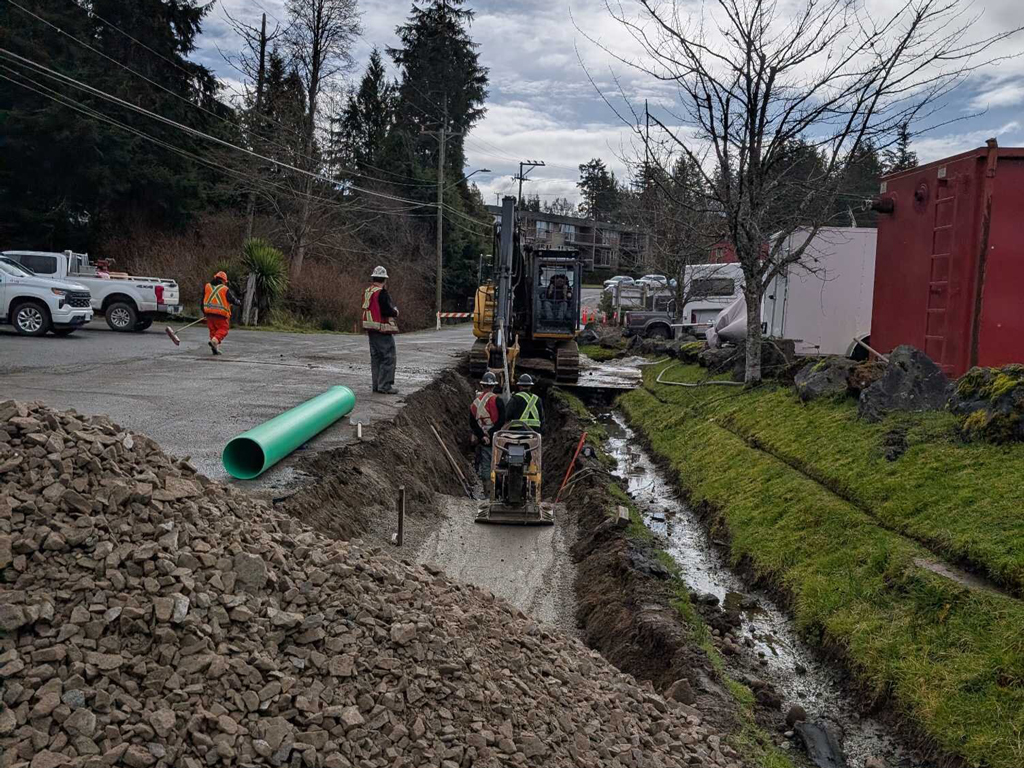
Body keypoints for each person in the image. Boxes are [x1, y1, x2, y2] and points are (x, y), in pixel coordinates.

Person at [361, 265, 400, 394]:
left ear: (373, 278)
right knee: (388, 357)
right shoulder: (381, 293)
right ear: (384, 279)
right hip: (381, 330)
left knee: (376, 358)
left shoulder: (368, 291)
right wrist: (395, 312)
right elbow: (386, 310)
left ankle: (377, 385)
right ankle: (385, 386)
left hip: (371, 329)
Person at [470, 372, 506, 493]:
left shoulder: (475, 404)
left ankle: (487, 492)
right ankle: (499, 490)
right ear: (494, 386)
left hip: (483, 440)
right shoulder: (498, 401)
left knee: (485, 464)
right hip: (497, 438)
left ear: (482, 386)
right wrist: (491, 434)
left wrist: (482, 436)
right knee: (499, 463)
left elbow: (473, 424)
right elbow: (502, 420)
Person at [202, 270, 241, 355]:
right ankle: (214, 341)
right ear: (223, 281)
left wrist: (204, 313)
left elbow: (202, 300)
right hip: (220, 315)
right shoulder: (224, 289)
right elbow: (232, 299)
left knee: (213, 331)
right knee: (223, 329)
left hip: (209, 314)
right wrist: (238, 302)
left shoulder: (207, 286)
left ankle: (215, 348)